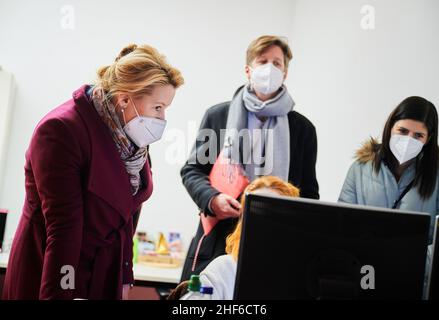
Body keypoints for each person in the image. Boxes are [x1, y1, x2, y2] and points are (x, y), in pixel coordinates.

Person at [2, 44, 184, 300]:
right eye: (158, 107)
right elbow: (63, 229)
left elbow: (127, 219)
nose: (163, 118)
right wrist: (61, 294)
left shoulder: (130, 140)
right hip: (54, 273)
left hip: (101, 275)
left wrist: (123, 276)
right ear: (124, 99)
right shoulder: (61, 131)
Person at [180, 35, 319, 281]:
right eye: (262, 61)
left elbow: (308, 193)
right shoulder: (218, 116)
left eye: (277, 63)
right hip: (218, 239)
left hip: (276, 241)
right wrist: (213, 199)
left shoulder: (303, 129)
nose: (269, 69)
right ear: (248, 69)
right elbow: (193, 171)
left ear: (285, 72)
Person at [181, 176, 300, 300]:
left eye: (274, 214)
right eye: (255, 213)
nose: (263, 224)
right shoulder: (225, 269)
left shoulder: (301, 277)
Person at [339, 96, 439, 243]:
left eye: (418, 135)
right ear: (391, 127)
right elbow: (341, 224)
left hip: (413, 265)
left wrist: (417, 259)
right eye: (403, 131)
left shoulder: (435, 175)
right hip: (364, 262)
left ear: (428, 139)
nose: (409, 140)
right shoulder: (360, 168)